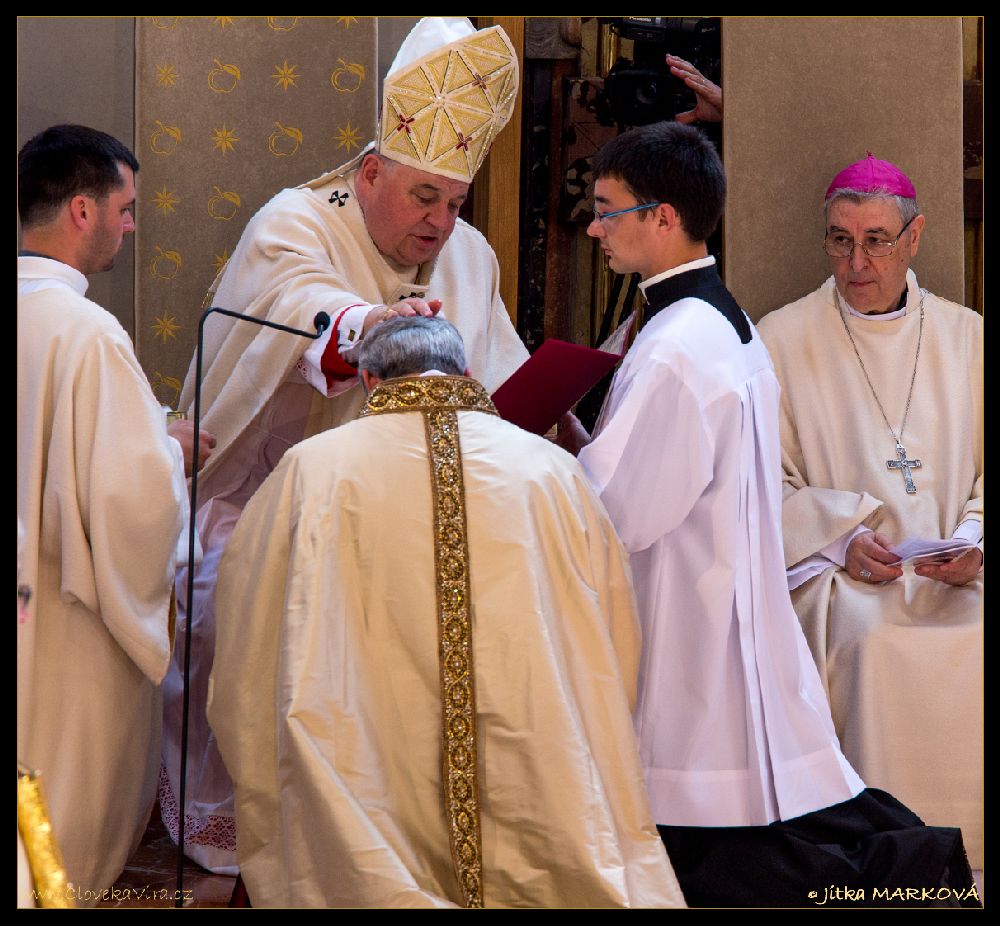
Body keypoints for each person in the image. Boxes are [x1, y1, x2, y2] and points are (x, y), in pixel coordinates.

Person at [569, 122, 978, 906]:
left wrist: (536, 473)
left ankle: (924, 873)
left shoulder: (679, 344)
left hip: (687, 633)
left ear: (662, 218)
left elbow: (618, 513)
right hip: (718, 618)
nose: (594, 227)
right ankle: (924, 871)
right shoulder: (725, 322)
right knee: (761, 842)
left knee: (728, 861)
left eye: (607, 208)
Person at [159, 17, 530, 873]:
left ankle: (411, 822)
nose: (441, 224)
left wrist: (564, 410)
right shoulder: (298, 221)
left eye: (455, 202)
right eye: (424, 198)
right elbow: (296, 307)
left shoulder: (468, 254)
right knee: (256, 603)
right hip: (264, 502)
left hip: (417, 510)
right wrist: (371, 325)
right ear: (370, 174)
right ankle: (269, 827)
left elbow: (501, 370)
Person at [206, 316, 684, 908]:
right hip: (531, 734)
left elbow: (251, 614)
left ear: (369, 381)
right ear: (466, 373)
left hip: (366, 732)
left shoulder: (313, 468)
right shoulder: (549, 469)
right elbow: (611, 623)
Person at [757, 154, 983, 866]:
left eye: (877, 240)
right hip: (848, 578)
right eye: (841, 239)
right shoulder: (780, 339)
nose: (858, 260)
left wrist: (975, 539)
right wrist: (840, 540)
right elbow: (762, 484)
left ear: (913, 239)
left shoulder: (969, 338)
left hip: (960, 572)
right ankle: (894, 857)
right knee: (876, 643)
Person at [17, 124, 212, 902]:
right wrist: (174, 451)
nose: (131, 226)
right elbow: (125, 501)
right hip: (59, 620)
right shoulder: (86, 333)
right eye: (125, 208)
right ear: (82, 211)